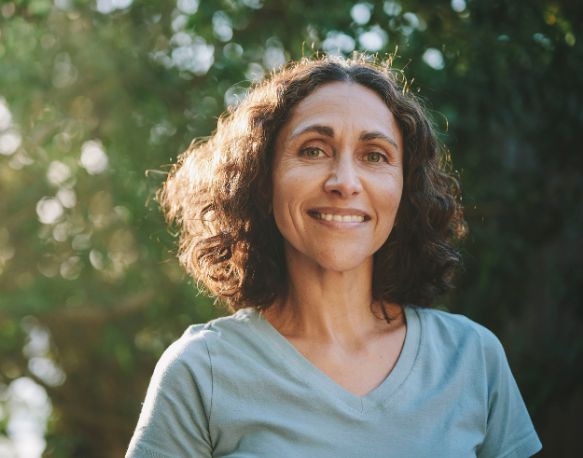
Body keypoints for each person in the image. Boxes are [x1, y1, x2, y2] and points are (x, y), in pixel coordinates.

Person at [126, 56, 542, 457]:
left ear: (405, 190)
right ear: (262, 179)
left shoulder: (471, 357)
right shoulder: (203, 371)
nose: (345, 182)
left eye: (374, 156)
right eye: (313, 150)